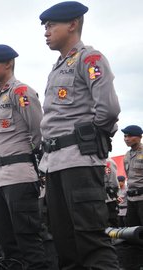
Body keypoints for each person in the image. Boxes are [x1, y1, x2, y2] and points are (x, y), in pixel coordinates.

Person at [39, 2, 120, 268]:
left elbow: (107, 109)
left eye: (52, 26)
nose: (46, 32)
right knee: (65, 243)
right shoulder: (58, 67)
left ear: (72, 24)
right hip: (55, 164)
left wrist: (90, 138)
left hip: (80, 162)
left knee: (90, 241)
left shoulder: (90, 58)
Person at [0, 44, 46, 269]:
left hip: (19, 176)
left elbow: (39, 131)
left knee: (28, 239)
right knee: (7, 242)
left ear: (7, 64)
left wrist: (27, 156)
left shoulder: (21, 92)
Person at [122, 124, 143, 226]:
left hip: (142, 198)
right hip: (131, 200)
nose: (126, 139)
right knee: (132, 232)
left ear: (140, 137)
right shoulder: (127, 155)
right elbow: (128, 177)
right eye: (125, 136)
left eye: (130, 136)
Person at [104, 158, 119, 227]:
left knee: (112, 221)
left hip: (109, 198)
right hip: (100, 198)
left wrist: (113, 192)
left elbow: (113, 182)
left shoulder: (108, 162)